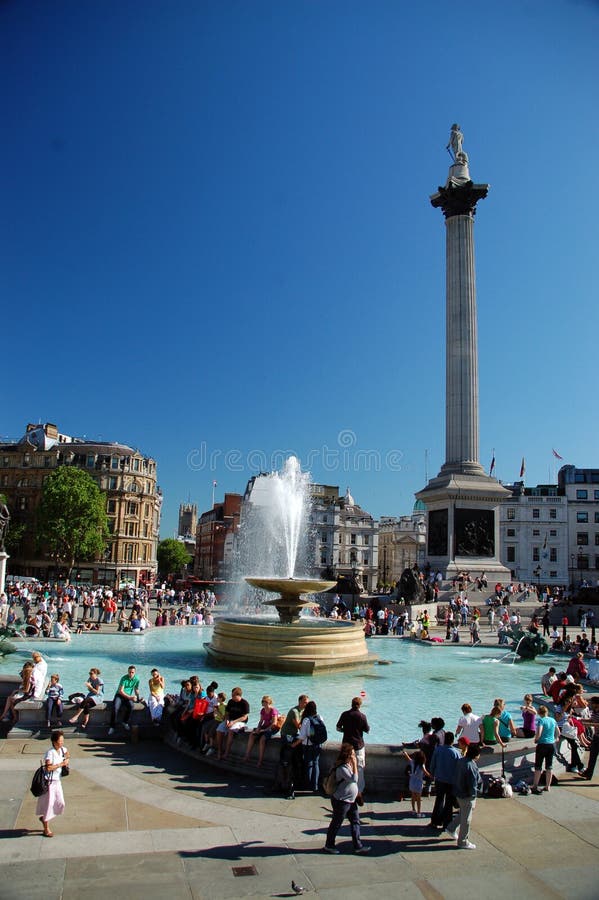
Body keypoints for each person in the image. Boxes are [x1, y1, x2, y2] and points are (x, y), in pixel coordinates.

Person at [323, 743, 370, 854]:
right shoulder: (342, 768)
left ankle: (358, 845)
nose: (354, 756)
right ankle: (329, 845)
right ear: (347, 755)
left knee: (355, 821)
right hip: (342, 800)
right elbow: (354, 779)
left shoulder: (347, 765)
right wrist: (355, 764)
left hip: (350, 800)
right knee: (336, 823)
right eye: (352, 754)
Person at [445, 743, 482, 850]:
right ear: (476, 755)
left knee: (463, 813)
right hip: (467, 795)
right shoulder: (471, 766)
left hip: (458, 792)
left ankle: (451, 828)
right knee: (467, 819)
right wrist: (474, 795)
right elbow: (473, 784)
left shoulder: (461, 761)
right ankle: (463, 842)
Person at [336, 697, 370, 806]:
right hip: (358, 746)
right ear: (360, 705)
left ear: (351, 704)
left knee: (345, 768)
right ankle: (359, 793)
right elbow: (367, 730)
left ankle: (345, 790)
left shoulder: (344, 714)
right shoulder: (362, 716)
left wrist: (345, 730)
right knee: (359, 769)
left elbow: (338, 727)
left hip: (346, 746)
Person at [36, 729, 69, 837]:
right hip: (49, 782)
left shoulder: (63, 749)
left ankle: (44, 818)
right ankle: (46, 828)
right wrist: (61, 764)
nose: (62, 743)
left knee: (61, 803)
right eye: (60, 741)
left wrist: (67, 760)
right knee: (49, 805)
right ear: (54, 742)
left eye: (63, 740)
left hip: (57, 781)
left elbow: (67, 753)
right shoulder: (50, 753)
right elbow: (48, 768)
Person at [279, 694, 309, 798]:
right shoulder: (294, 711)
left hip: (294, 735)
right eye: (305, 702)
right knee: (288, 759)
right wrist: (307, 733)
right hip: (287, 735)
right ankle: (286, 782)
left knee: (297, 759)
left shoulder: (303, 711)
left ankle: (293, 781)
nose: (306, 704)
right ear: (300, 702)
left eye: (307, 702)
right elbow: (298, 726)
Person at [430, 731, 461, 829]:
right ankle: (447, 823)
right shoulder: (456, 752)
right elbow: (459, 768)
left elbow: (433, 763)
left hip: (439, 779)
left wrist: (432, 774)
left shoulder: (438, 750)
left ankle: (435, 821)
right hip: (451, 781)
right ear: (452, 741)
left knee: (439, 800)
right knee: (449, 802)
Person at [296, 700, 326, 792]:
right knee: (316, 763)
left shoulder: (306, 720)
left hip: (308, 745)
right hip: (318, 744)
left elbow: (302, 736)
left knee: (308, 764)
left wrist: (294, 744)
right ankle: (315, 786)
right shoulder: (320, 717)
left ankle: (307, 784)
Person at [243, 695, 279, 767]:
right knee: (252, 735)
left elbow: (274, 723)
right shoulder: (263, 710)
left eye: (265, 701)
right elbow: (261, 721)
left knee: (262, 739)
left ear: (269, 702)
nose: (263, 703)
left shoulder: (273, 710)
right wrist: (258, 728)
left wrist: (264, 730)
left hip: (272, 728)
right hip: (264, 727)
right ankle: (247, 755)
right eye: (262, 701)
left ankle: (260, 760)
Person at [531, 705, 560, 794]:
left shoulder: (541, 720)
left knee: (538, 766)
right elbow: (558, 732)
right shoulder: (553, 720)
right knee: (549, 766)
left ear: (539, 713)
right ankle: (548, 786)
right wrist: (555, 739)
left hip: (542, 745)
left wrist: (536, 739)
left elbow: (539, 732)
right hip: (551, 745)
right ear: (547, 712)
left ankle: (535, 785)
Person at [215, 687, 249, 760]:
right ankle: (219, 751)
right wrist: (227, 720)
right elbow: (227, 713)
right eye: (232, 695)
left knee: (231, 731)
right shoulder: (230, 702)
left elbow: (244, 717)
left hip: (240, 721)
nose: (232, 696)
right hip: (230, 719)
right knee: (219, 729)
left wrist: (233, 722)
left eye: (233, 695)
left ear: (238, 695)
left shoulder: (244, 703)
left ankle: (226, 753)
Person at [108, 665, 141, 734]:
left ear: (135, 672)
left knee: (131, 706)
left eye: (132, 672)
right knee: (115, 707)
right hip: (119, 695)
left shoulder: (137, 679)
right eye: (129, 672)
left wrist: (138, 698)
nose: (131, 674)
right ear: (128, 672)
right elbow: (121, 691)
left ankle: (125, 722)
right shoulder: (124, 678)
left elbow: (136, 689)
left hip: (128, 696)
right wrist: (130, 697)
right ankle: (112, 726)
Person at [402, 748, 431, 817]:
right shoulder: (422, 765)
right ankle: (419, 812)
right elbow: (426, 773)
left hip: (412, 782)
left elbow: (407, 757)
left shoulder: (412, 762)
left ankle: (413, 810)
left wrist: (404, 752)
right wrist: (432, 776)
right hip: (418, 783)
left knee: (413, 797)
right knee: (418, 799)